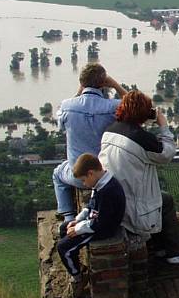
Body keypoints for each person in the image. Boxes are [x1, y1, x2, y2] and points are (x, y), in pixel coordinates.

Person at [99, 91, 179, 264]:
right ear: (144, 113)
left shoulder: (110, 130)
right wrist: (163, 125)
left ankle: (160, 248)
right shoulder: (141, 138)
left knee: (161, 199)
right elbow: (167, 154)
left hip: (114, 199)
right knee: (165, 200)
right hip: (132, 208)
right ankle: (177, 253)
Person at [53, 63, 127, 222]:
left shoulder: (67, 106)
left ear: (81, 82)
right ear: (103, 83)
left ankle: (68, 216)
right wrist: (114, 85)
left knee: (58, 173)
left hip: (78, 176)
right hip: (105, 176)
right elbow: (139, 108)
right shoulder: (113, 106)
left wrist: (80, 91)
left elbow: (60, 124)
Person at [57, 153, 126, 298]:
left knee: (63, 247)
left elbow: (101, 223)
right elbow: (91, 205)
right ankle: (76, 264)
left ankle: (77, 277)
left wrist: (78, 229)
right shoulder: (100, 183)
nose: (83, 184)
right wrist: (77, 220)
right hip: (95, 221)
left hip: (103, 229)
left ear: (90, 173)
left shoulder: (108, 191)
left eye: (83, 180)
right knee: (65, 228)